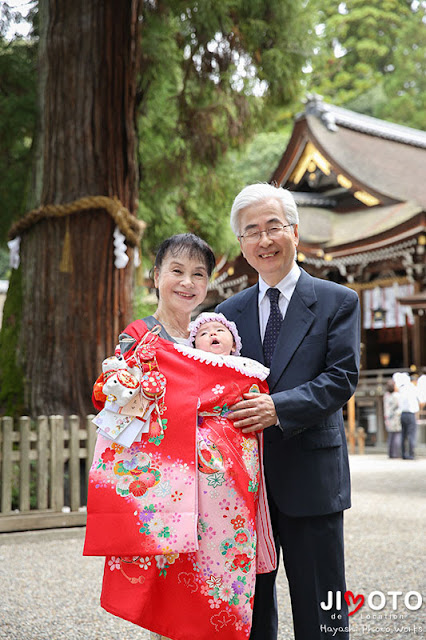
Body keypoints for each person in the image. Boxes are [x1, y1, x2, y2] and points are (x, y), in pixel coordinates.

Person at [84, 233, 276, 640]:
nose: (187, 283)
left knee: (211, 584)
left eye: (198, 274)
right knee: (167, 601)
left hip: (219, 491)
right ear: (155, 276)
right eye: (177, 271)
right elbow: (122, 404)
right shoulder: (139, 336)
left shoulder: (211, 340)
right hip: (164, 488)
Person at [216, 183, 360, 640]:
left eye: (272, 227)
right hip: (245, 488)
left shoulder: (338, 300)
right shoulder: (228, 313)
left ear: (294, 231)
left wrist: (277, 408)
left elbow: (341, 379)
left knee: (323, 608)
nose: (263, 240)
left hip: (312, 477)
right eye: (250, 232)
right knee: (250, 609)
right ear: (241, 246)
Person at [394, 372, 420, 460]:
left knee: (403, 435)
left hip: (403, 414)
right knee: (411, 435)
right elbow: (418, 401)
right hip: (410, 413)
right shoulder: (412, 388)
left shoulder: (401, 389)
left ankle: (404, 454)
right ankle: (411, 454)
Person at [383, 379, 402, 458]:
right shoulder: (396, 396)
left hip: (388, 417)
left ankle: (390, 453)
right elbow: (399, 406)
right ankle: (395, 453)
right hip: (395, 417)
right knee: (396, 435)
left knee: (390, 436)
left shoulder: (386, 396)